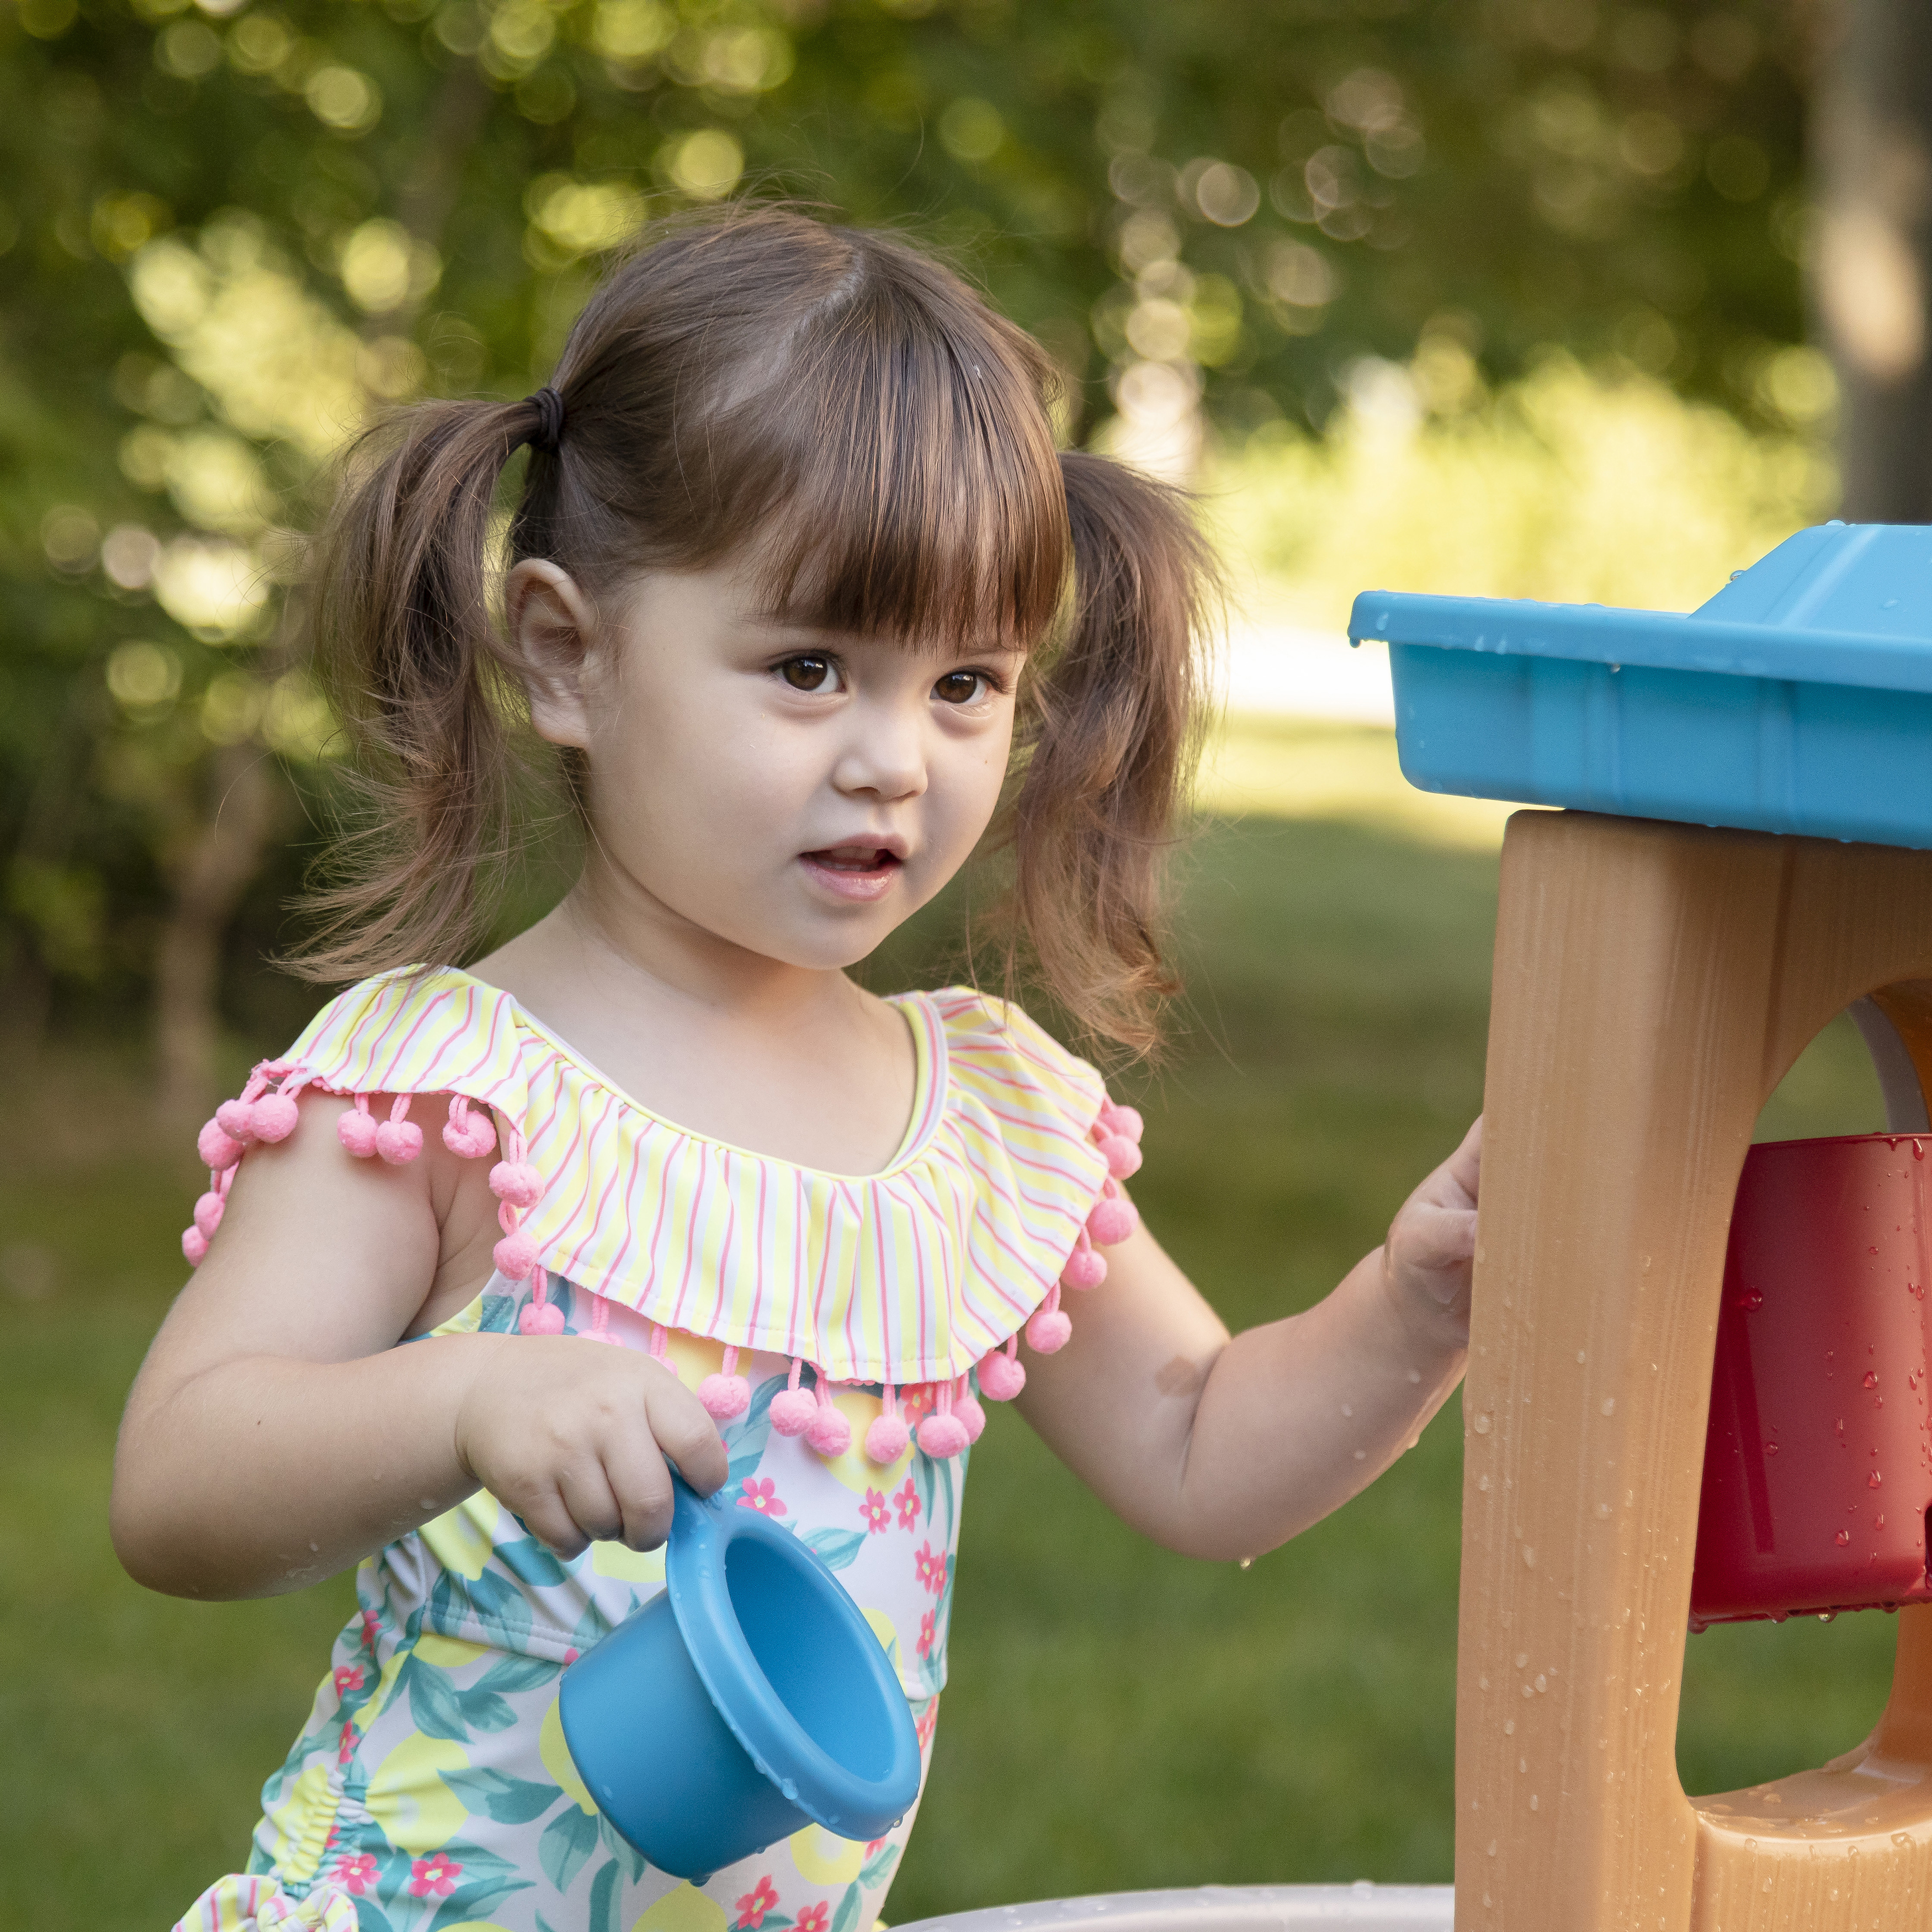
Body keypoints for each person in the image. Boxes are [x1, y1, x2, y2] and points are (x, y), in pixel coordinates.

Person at [113, 207, 1480, 1932]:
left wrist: (1417, 1297)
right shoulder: (450, 1096)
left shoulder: (988, 1123)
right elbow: (178, 1484)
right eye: (809, 668)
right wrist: (465, 1401)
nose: (892, 759)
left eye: (966, 683)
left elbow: (1202, 1446)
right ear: (566, 651)